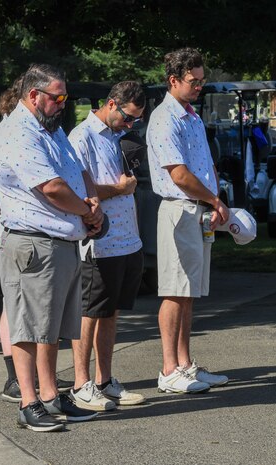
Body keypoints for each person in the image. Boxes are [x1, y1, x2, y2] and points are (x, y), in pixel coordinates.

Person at [0, 64, 104, 431]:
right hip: (32, 244)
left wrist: (92, 201)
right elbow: (51, 187)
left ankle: (52, 397)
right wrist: (87, 211)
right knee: (27, 326)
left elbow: (77, 169)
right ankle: (28, 402)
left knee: (51, 327)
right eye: (57, 98)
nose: (61, 104)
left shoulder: (49, 130)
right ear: (34, 95)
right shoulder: (17, 132)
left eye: (64, 97)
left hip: (60, 242)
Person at [147, 47, 230, 394]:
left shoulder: (190, 115)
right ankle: (169, 369)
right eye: (193, 81)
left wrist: (213, 201)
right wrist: (212, 198)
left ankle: (184, 365)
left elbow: (202, 165)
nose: (199, 86)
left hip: (196, 211)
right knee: (174, 290)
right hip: (179, 208)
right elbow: (179, 174)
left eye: (201, 80)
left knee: (189, 292)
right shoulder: (165, 118)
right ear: (173, 80)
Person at [67, 81, 147, 411]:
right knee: (89, 311)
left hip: (128, 239)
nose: (130, 125)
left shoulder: (120, 137)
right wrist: (119, 189)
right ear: (112, 104)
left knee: (111, 312)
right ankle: (80, 383)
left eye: (136, 121)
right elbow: (76, 189)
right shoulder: (81, 137)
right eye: (127, 117)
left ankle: (104, 380)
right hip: (98, 242)